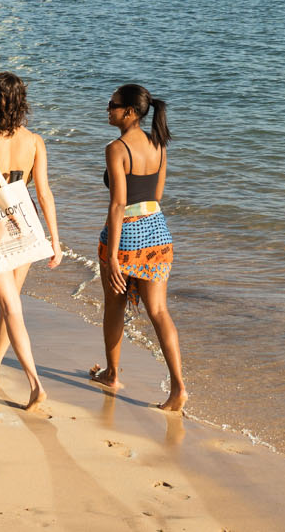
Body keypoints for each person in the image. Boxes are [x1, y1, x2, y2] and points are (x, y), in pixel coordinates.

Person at [89, 83, 187, 412]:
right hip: (157, 233)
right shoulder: (159, 145)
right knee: (159, 312)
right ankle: (178, 388)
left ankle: (112, 374)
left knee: (114, 307)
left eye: (113, 104)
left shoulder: (116, 148)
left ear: (130, 112)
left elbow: (118, 205)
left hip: (126, 236)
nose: (108, 108)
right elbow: (156, 195)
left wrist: (114, 257)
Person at [0, 71, 62, 412]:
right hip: (28, 226)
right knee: (12, 307)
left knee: (11, 307)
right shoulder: (35, 141)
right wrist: (55, 239)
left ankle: (35, 384)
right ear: (21, 102)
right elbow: (45, 193)